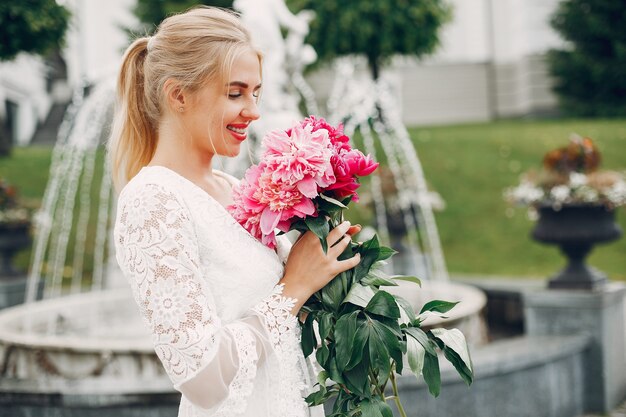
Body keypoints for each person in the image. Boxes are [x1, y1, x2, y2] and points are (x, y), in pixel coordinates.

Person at [108, 6, 361, 417]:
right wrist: (294, 288)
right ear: (178, 95)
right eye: (235, 93)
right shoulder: (152, 201)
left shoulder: (232, 189)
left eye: (256, 93)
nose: (254, 111)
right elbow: (203, 378)